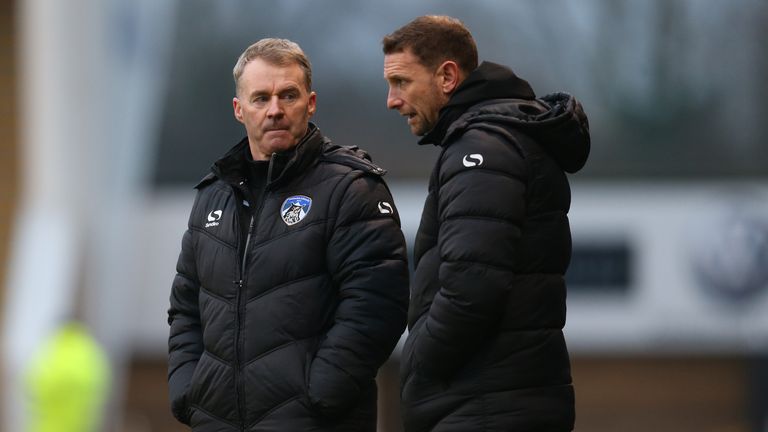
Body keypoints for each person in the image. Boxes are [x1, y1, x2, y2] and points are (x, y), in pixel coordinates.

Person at [167, 38, 409, 431]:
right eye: (261, 98)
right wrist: (188, 391)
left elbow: (377, 305)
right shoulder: (213, 197)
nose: (275, 110)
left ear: (310, 103)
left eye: (288, 95)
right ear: (238, 109)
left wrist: (319, 397)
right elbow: (185, 309)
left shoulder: (349, 188)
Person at [382, 16, 590, 432]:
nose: (392, 100)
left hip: (485, 406)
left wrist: (419, 360)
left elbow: (472, 287)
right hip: (505, 398)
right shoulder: (502, 136)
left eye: (402, 82)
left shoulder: (481, 149)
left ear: (446, 76)